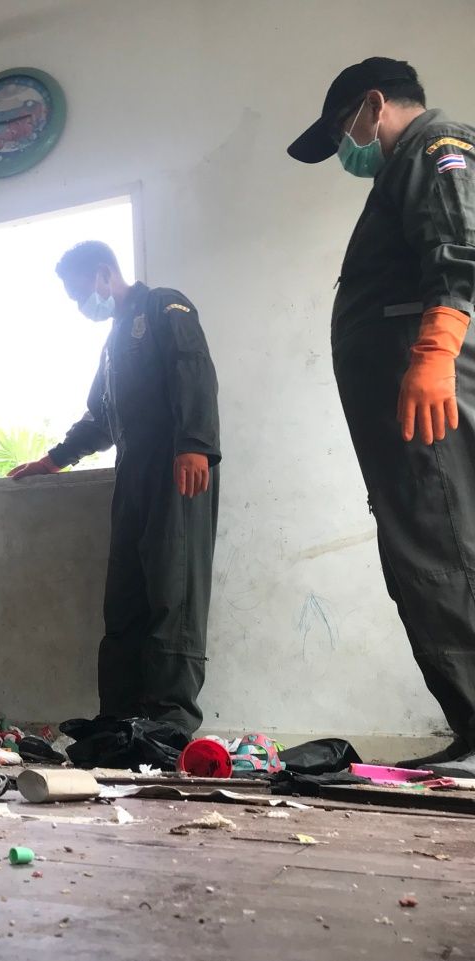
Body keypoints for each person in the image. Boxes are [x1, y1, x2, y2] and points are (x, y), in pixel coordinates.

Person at [289, 58, 475, 777]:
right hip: (404, 408)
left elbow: (459, 248)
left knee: (446, 550)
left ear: (373, 105)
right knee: (424, 555)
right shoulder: (401, 168)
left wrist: (434, 352)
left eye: (343, 130)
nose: (346, 149)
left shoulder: (436, 145)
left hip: (427, 395)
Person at [9, 241, 221, 735]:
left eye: (79, 292)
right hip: (133, 477)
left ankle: (170, 721)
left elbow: (193, 368)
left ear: (105, 274)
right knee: (125, 595)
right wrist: (53, 460)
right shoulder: (113, 345)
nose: (79, 304)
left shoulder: (164, 306)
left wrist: (194, 444)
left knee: (174, 590)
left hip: (177, 471)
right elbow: (100, 418)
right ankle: (119, 719)